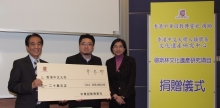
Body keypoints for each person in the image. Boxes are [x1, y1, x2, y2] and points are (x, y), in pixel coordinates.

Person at [8, 33, 50, 108]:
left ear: (42, 46)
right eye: (32, 44)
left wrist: (59, 98)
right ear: (27, 47)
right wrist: (31, 85)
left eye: (39, 44)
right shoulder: (19, 63)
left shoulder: (47, 65)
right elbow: (12, 86)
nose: (36, 47)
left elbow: (50, 87)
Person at [65, 34, 102, 108]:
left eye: (89, 44)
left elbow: (100, 80)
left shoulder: (97, 60)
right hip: (77, 102)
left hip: (94, 102)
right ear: (79, 46)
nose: (86, 47)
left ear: (93, 47)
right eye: (83, 44)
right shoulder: (71, 60)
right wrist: (73, 95)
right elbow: (68, 82)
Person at [106, 38, 136, 108]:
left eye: (120, 46)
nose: (118, 49)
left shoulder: (131, 61)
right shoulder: (109, 62)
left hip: (128, 98)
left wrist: (122, 97)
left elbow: (132, 80)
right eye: (115, 46)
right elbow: (108, 81)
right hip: (114, 98)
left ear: (124, 49)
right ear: (112, 49)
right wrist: (115, 95)